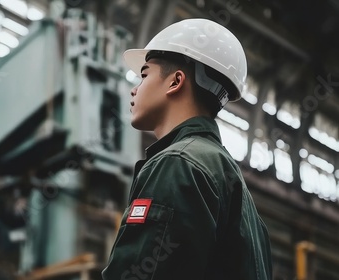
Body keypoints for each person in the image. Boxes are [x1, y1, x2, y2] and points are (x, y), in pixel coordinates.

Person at [102, 18, 273, 279]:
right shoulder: (234, 187)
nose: (134, 90)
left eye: (145, 75)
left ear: (175, 81)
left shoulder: (178, 164)